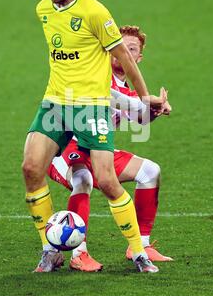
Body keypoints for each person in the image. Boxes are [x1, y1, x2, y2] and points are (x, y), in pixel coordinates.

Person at [22, 0, 166, 273]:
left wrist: (145, 98)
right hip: (56, 102)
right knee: (31, 168)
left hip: (91, 105)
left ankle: (139, 252)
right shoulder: (43, 10)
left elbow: (124, 59)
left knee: (107, 180)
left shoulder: (94, 11)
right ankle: (50, 252)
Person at [46, 25, 173, 272]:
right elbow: (110, 96)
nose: (123, 52)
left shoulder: (130, 89)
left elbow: (142, 120)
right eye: (119, 46)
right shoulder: (97, 73)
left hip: (99, 150)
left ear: (138, 58)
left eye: (131, 48)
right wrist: (145, 103)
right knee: (83, 179)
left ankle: (141, 245)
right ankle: (78, 253)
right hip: (65, 149)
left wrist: (156, 110)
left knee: (150, 172)